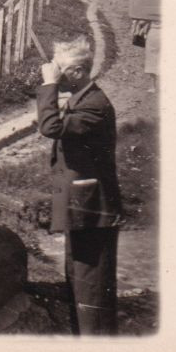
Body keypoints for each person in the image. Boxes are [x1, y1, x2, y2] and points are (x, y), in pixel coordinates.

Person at [38, 37, 122, 336]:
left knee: (92, 287)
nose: (54, 74)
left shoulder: (95, 106)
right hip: (82, 207)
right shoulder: (83, 98)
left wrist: (48, 85)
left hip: (92, 210)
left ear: (75, 72)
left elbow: (51, 128)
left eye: (59, 70)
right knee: (78, 276)